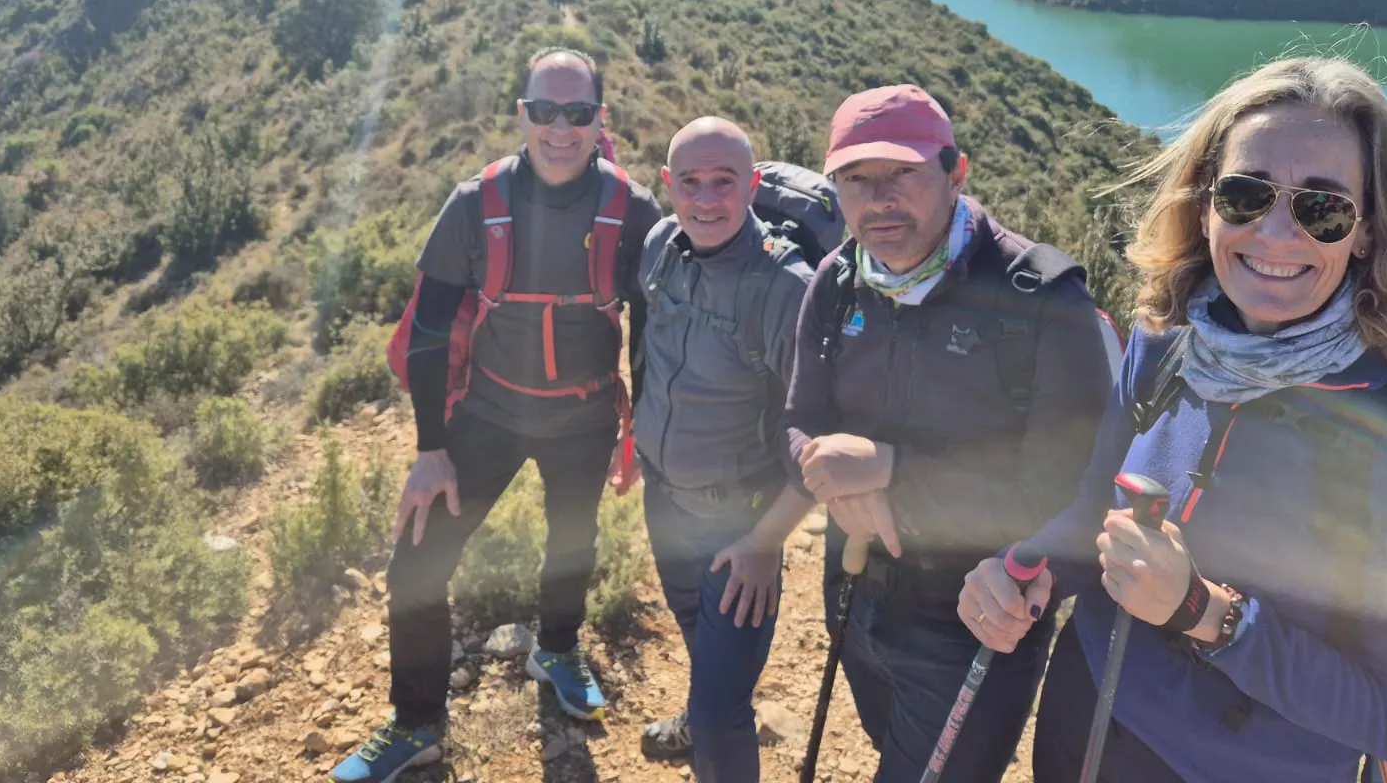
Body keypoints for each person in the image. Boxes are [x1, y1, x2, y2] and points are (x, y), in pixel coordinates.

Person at [960, 57, 1387, 783]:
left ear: (1367, 234)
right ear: (1205, 206)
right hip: (1085, 714)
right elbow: (1099, 507)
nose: (1277, 234)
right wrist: (1024, 568)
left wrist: (1208, 615)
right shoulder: (1163, 344)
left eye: (1323, 209)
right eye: (1246, 194)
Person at [331, 48, 662, 783]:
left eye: (577, 114)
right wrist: (429, 449)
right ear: (522, 115)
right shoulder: (472, 204)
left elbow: (651, 330)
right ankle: (417, 724)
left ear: (598, 120)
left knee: (572, 542)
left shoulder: (634, 211)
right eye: (544, 111)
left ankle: (559, 648)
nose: (560, 129)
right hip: (487, 414)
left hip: (583, 419)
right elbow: (427, 329)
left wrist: (638, 428)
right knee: (416, 565)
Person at [784, 84, 1114, 781]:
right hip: (853, 595)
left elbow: (1067, 493)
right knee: (890, 746)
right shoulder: (838, 281)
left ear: (956, 171)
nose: (878, 200)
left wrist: (890, 469)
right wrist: (830, 482)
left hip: (973, 619)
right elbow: (797, 422)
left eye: (902, 173)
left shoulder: (1040, 299)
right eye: (854, 179)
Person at [635, 118, 817, 781]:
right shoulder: (660, 245)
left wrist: (767, 542)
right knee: (696, 638)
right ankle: (702, 708)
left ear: (753, 185)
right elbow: (647, 352)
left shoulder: (783, 288)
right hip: (665, 502)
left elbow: (818, 433)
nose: (706, 200)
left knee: (722, 713)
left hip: (740, 526)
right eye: (690, 183)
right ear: (668, 186)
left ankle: (708, 722)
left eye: (724, 182)